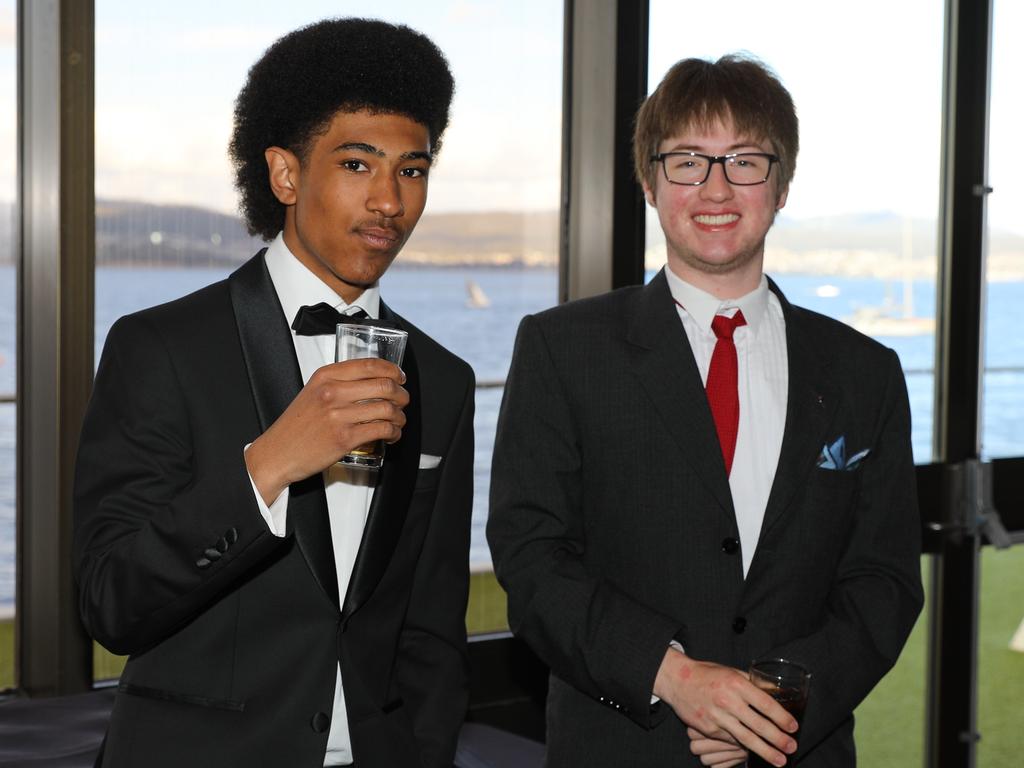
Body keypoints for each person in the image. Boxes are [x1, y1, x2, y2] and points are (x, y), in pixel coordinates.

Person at [487, 54, 923, 767]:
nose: (716, 187)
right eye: (688, 160)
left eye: (745, 161)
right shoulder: (562, 350)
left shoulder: (865, 373)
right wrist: (677, 679)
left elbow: (884, 583)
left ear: (780, 187)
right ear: (650, 181)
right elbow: (533, 562)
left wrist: (774, 710)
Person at [74, 18, 474, 768]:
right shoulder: (159, 348)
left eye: (412, 170)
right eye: (358, 165)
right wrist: (265, 468)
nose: (389, 200)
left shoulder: (444, 379)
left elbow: (429, 630)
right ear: (286, 175)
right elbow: (110, 603)